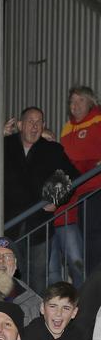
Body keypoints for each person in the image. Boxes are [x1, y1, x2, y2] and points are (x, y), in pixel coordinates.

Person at [3, 106, 81, 292]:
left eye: (39, 122)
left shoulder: (52, 149)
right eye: (30, 121)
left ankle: (35, 318)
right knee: (8, 277)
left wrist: (57, 199)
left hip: (39, 225)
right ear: (20, 125)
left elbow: (73, 175)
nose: (35, 126)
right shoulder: (4, 145)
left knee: (38, 276)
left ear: (44, 125)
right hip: (8, 225)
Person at [60, 86, 101, 262]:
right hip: (78, 193)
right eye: (72, 101)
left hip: (96, 188)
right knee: (85, 241)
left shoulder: (98, 121)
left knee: (93, 238)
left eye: (80, 100)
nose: (75, 105)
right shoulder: (67, 128)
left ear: (90, 102)